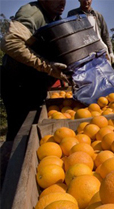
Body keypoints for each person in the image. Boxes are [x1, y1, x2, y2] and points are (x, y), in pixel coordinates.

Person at [0, 0, 69, 141]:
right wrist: (47, 66)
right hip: (17, 85)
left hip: (34, 85)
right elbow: (10, 42)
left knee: (33, 128)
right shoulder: (32, 13)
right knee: (19, 132)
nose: (62, 2)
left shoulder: (55, 18)